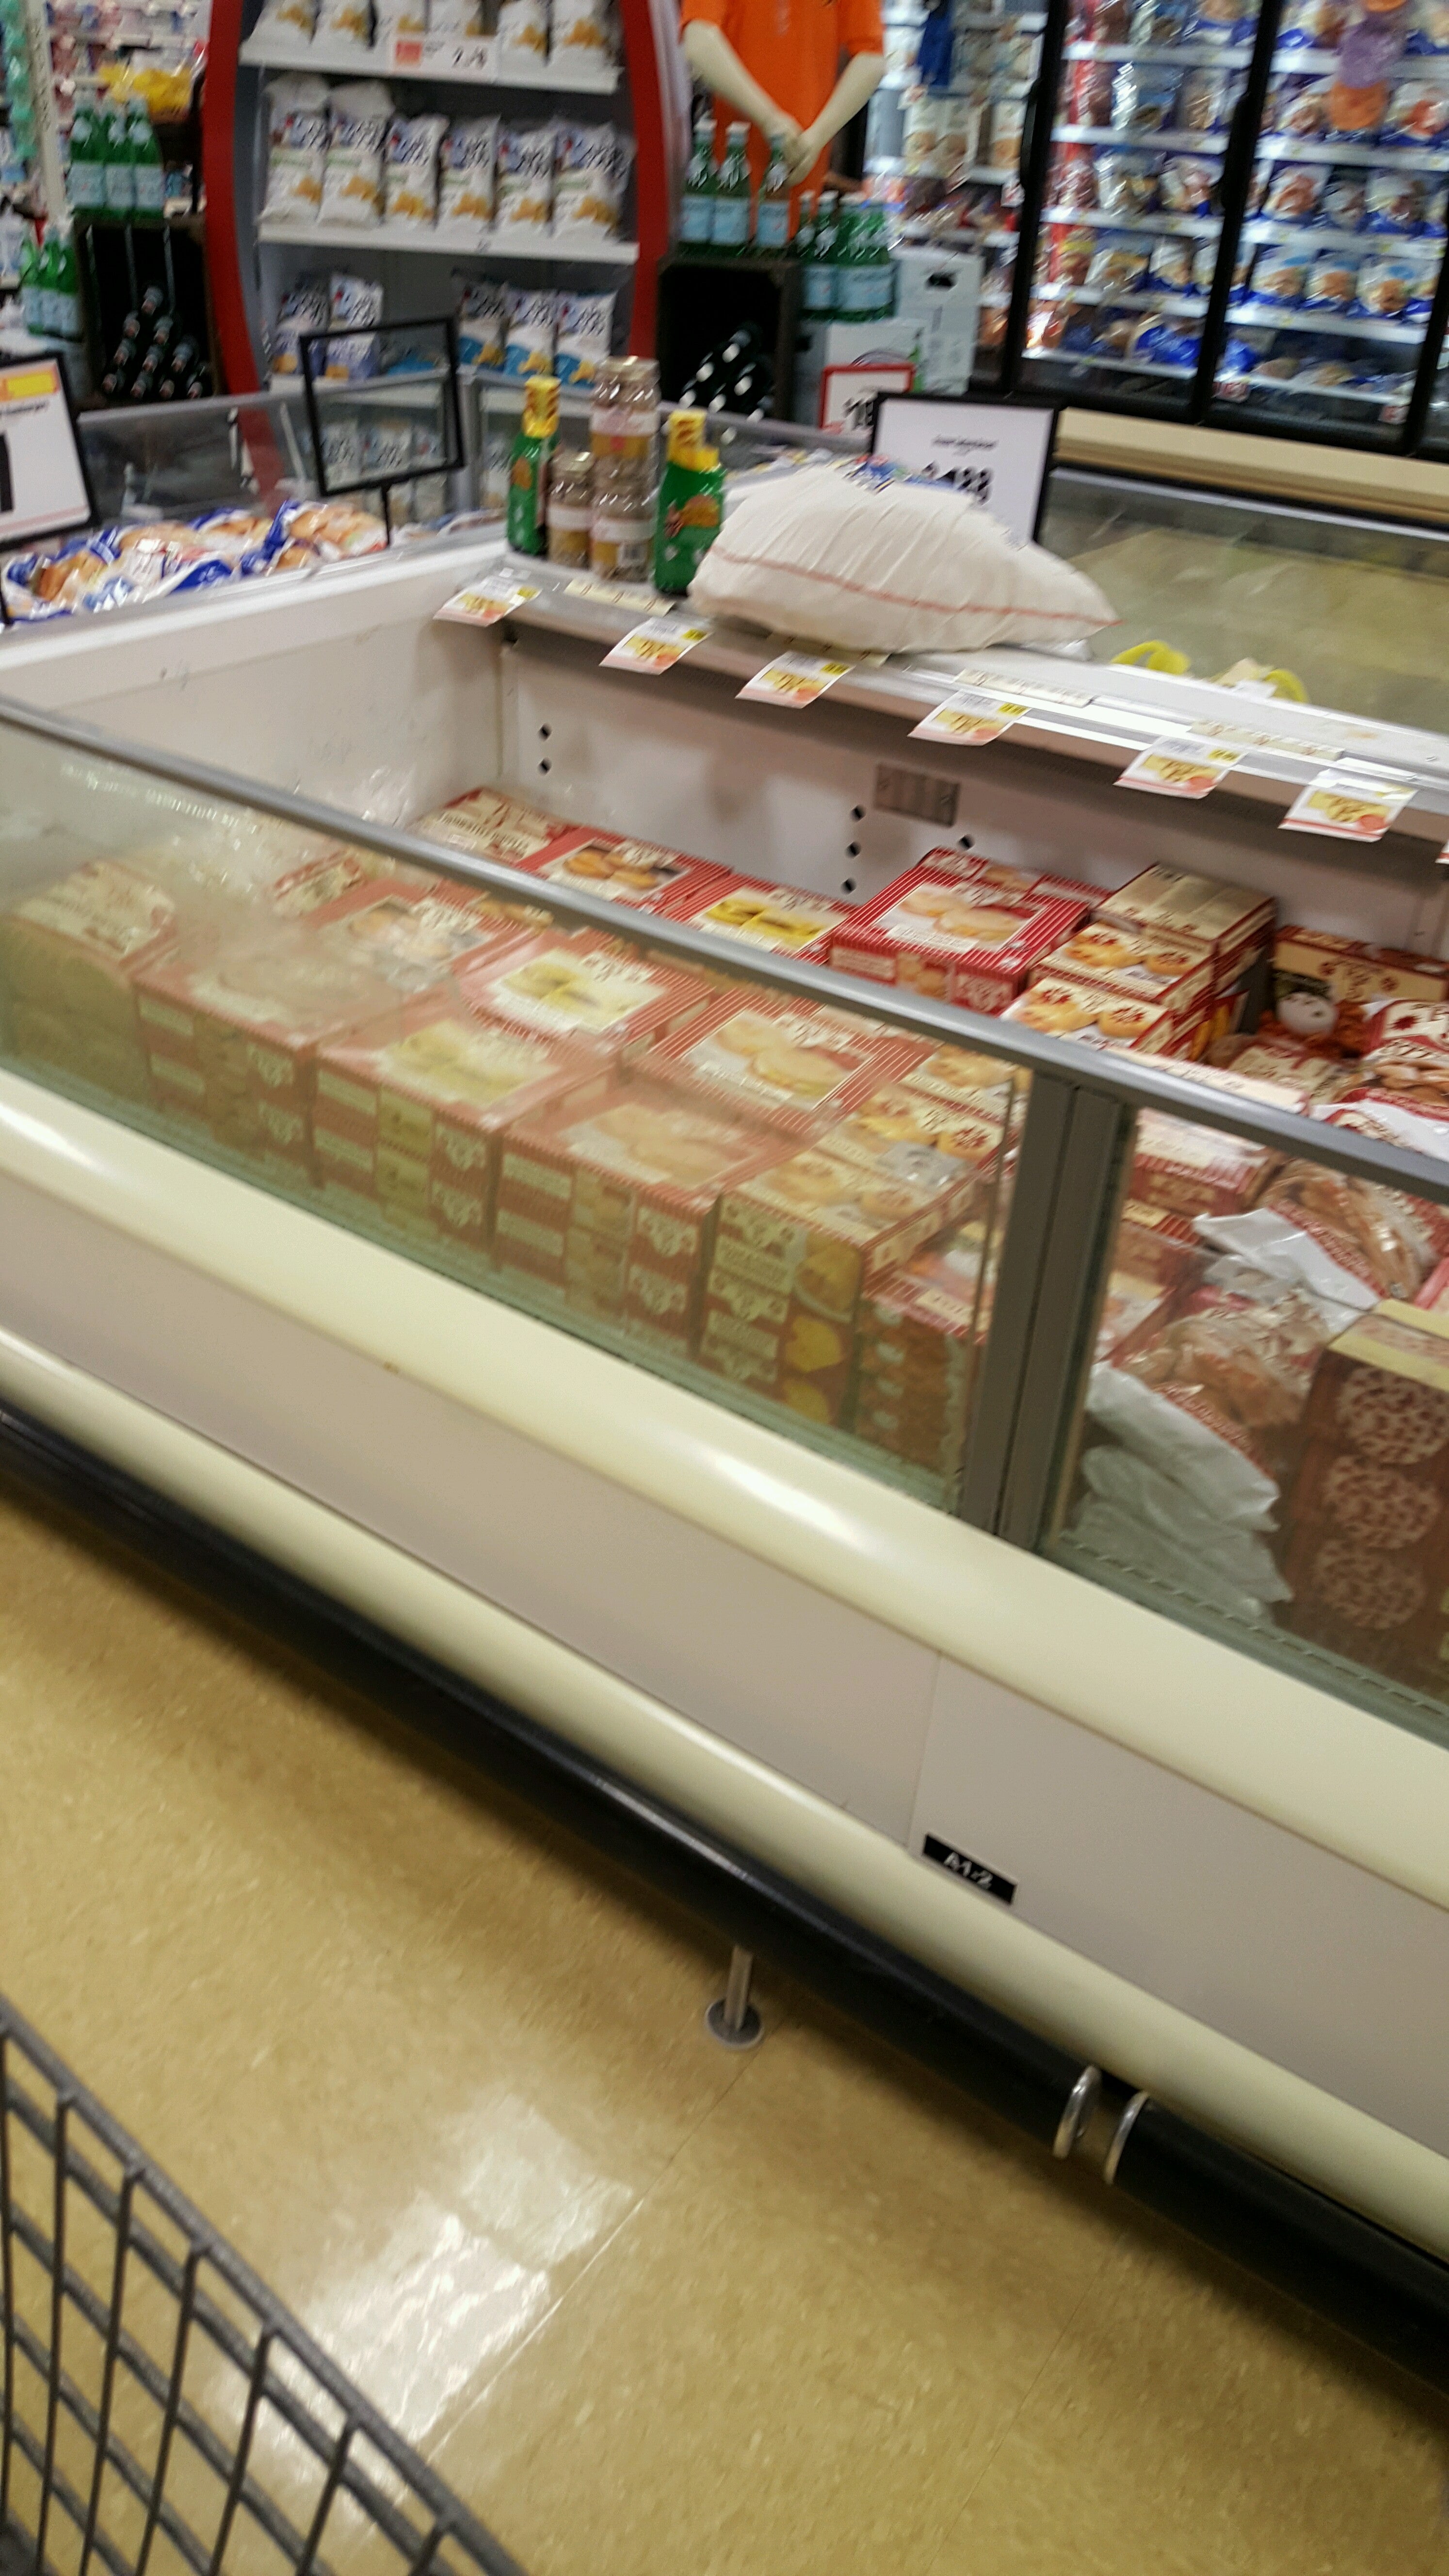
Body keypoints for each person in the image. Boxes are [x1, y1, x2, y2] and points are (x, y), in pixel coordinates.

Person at [679, 0, 885, 202]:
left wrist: (817, 136)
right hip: (733, 173)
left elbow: (871, 57)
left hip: (801, 173)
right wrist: (769, 119)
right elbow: (698, 38)